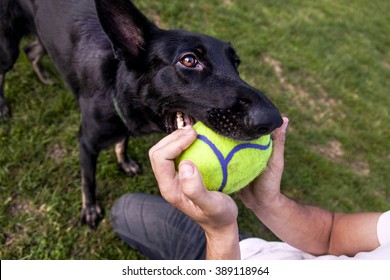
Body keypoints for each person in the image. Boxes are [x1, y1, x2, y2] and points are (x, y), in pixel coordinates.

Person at [110, 118, 390, 259]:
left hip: (223, 253)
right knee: (124, 211)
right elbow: (331, 235)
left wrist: (220, 233)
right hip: (252, 250)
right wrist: (268, 201)